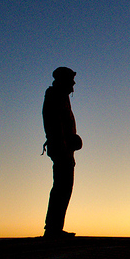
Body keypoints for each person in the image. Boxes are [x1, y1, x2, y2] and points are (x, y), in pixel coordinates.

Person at [42, 66, 81, 238]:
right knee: (61, 187)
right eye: (71, 80)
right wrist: (64, 144)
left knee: (64, 187)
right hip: (61, 149)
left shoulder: (61, 96)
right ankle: (52, 230)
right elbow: (54, 124)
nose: (73, 84)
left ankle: (54, 228)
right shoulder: (55, 96)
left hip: (64, 148)